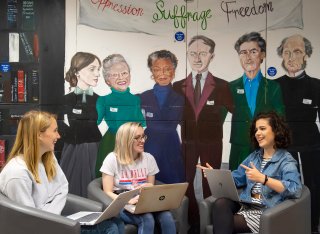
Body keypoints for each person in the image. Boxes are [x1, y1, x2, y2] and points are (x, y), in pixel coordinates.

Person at [0, 110, 124, 234]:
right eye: (54, 131)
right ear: (38, 135)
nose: (59, 136)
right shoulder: (17, 174)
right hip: (45, 226)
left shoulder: (48, 158)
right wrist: (57, 214)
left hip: (57, 219)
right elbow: (31, 220)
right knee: (109, 227)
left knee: (116, 222)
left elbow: (62, 188)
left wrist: (52, 209)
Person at [197, 111, 302, 234]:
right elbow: (236, 178)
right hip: (247, 205)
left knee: (222, 223)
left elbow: (295, 189)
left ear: (276, 131)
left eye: (262, 128)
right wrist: (215, 175)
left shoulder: (286, 160)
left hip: (267, 212)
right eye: (256, 130)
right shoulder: (254, 157)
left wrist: (264, 179)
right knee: (221, 203)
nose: (257, 133)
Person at [172, 35, 234, 227]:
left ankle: (212, 221)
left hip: (212, 141)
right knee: (186, 182)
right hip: (188, 141)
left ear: (212, 56)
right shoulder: (177, 86)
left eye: (203, 53)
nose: (197, 58)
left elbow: (235, 111)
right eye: (193, 53)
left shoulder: (223, 86)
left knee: (211, 182)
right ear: (187, 55)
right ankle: (193, 221)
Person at [275, 34, 320, 233]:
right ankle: (289, 224)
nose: (291, 57)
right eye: (286, 52)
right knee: (286, 188)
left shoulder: (317, 85)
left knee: (314, 186)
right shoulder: (275, 85)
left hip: (312, 146)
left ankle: (312, 225)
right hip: (285, 147)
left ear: (306, 55)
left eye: (297, 51)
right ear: (282, 56)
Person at [100, 122, 176, 234]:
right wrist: (128, 200)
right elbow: (107, 191)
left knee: (167, 216)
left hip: (145, 201)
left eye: (143, 136)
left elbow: (151, 185)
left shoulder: (149, 158)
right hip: (123, 204)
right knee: (147, 218)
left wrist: (149, 187)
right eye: (137, 137)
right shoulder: (111, 159)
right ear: (126, 139)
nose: (143, 141)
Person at [229, 32, 285, 171]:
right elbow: (217, 119)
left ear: (262, 55)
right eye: (243, 52)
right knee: (237, 187)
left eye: (253, 51)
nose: (248, 57)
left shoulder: (273, 87)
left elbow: (280, 119)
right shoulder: (230, 87)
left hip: (265, 148)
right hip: (239, 148)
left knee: (260, 190)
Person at [95, 54, 146, 178]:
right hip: (112, 142)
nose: (121, 77)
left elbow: (141, 124)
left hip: (132, 142)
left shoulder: (135, 100)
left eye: (124, 73)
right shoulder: (103, 100)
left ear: (130, 75)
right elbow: (94, 122)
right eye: (115, 75)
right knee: (109, 177)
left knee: (131, 178)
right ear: (107, 80)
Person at [59, 52, 102, 197]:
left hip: (95, 148)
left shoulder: (101, 101)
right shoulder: (64, 100)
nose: (97, 74)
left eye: (98, 69)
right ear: (77, 71)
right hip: (72, 149)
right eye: (92, 69)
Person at [139, 50, 185, 184]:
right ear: (152, 73)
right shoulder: (143, 97)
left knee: (173, 182)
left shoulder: (182, 98)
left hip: (171, 144)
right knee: (149, 183)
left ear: (174, 71)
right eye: (157, 69)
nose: (162, 73)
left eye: (167, 69)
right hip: (149, 144)